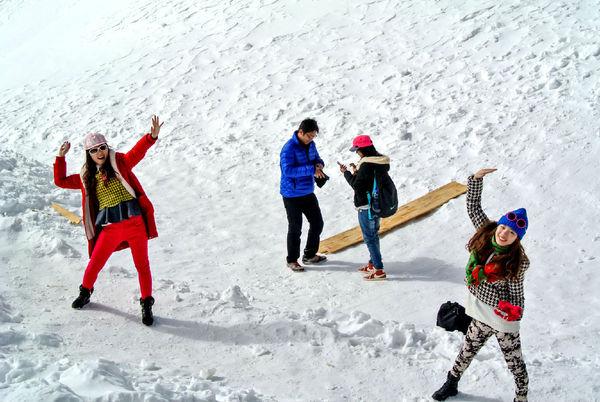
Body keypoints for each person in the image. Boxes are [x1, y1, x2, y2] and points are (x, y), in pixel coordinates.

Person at [53, 116, 163, 326]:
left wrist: (151, 137)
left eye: (102, 147)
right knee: (95, 262)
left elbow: (136, 153)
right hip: (110, 228)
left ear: (106, 147)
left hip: (135, 224)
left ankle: (146, 304)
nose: (99, 152)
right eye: (94, 150)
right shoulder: (87, 177)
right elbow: (60, 181)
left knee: (142, 265)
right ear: (89, 154)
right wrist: (60, 157)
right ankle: (85, 293)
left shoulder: (120, 162)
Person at [432, 168, 530, 401]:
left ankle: (522, 397)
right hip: (479, 314)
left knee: (515, 364)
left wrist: (511, 311)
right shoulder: (487, 234)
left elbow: (517, 298)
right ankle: (451, 383)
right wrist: (475, 179)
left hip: (501, 320)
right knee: (466, 350)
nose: (504, 234)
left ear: (517, 239)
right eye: (503, 227)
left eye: (512, 233)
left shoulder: (517, 263)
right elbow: (473, 206)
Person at [339, 134, 390, 281]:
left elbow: (357, 186)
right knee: (374, 235)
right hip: (377, 204)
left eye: (357, 150)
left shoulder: (366, 165)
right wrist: (357, 171)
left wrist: (347, 173)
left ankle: (379, 270)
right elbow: (367, 181)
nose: (357, 152)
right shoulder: (379, 162)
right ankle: (372, 263)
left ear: (363, 149)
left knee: (370, 238)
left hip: (366, 206)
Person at [279, 118, 327, 272]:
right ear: (301, 132)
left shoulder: (311, 145)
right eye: (309, 136)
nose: (311, 139)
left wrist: (319, 164)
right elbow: (288, 171)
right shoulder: (288, 149)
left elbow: (317, 159)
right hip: (291, 194)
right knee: (295, 228)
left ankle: (309, 255)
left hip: (307, 191)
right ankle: (292, 260)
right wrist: (311, 169)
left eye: (313, 136)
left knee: (317, 223)